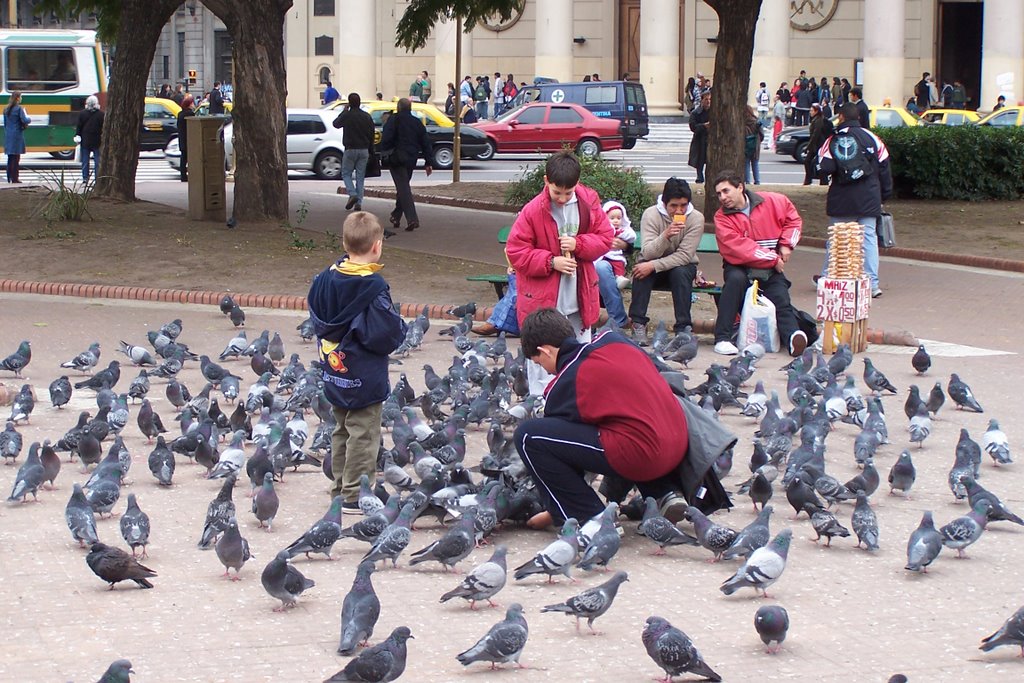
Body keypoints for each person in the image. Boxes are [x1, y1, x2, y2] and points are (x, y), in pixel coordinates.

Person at [512, 308, 691, 527]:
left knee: (528, 436)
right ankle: (663, 492)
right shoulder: (615, 340)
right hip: (678, 443)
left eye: (539, 362)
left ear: (546, 351)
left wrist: (559, 507)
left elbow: (569, 453)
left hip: (645, 454)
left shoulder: (564, 382)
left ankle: (592, 518)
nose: (547, 371)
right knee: (627, 415)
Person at [307, 211, 408, 510]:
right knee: (363, 432)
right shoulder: (373, 288)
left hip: (334, 366)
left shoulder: (325, 277)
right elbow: (384, 334)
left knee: (340, 426)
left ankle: (339, 487)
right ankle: (355, 494)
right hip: (364, 372)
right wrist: (399, 328)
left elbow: (316, 311)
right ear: (377, 245)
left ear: (344, 241)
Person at [505, 151, 613, 395]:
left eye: (569, 192)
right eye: (557, 192)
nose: (563, 198)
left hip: (578, 297)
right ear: (546, 181)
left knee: (579, 356)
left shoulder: (588, 201)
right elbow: (516, 251)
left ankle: (578, 399)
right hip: (544, 303)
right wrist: (550, 262)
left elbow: (605, 238)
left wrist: (579, 245)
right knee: (543, 357)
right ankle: (541, 402)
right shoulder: (533, 210)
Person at [712, 171, 812, 357]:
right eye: (719, 194)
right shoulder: (721, 218)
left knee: (780, 296)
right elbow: (740, 248)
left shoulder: (774, 201)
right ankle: (722, 338)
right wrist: (773, 258)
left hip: (770, 267)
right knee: (734, 282)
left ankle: (793, 338)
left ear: (740, 187)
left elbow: (794, 221)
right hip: (739, 265)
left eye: (726, 191)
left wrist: (786, 244)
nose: (722, 197)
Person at [816, 102, 893, 298]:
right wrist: (883, 195)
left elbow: (824, 167)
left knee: (837, 239)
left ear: (841, 117)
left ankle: (829, 279)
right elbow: (885, 168)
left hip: (842, 198)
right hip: (869, 197)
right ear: (858, 117)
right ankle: (872, 284)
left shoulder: (834, 139)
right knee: (868, 238)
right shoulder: (873, 139)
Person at [628, 177, 703, 344]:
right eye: (673, 206)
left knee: (680, 272)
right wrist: (666, 235)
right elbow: (647, 252)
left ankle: (683, 328)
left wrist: (654, 265)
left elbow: (685, 255)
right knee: (641, 270)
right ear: (664, 203)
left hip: (681, 266)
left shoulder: (696, 218)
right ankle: (638, 323)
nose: (678, 211)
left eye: (683, 205)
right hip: (654, 262)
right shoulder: (651, 214)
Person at [380, 98, 432, 232]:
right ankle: (396, 215)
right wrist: (428, 161)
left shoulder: (393, 120)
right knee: (403, 186)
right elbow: (425, 142)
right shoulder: (416, 122)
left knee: (403, 188)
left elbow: (386, 139)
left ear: (398, 107)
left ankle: (412, 219)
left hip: (396, 158)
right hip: (411, 158)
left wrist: (384, 151)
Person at [594, 200, 636, 330]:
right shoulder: (597, 226)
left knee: (601, 268)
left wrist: (624, 245)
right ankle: (617, 319)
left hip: (611, 262)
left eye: (619, 218)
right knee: (599, 267)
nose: (616, 221)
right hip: (594, 260)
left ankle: (617, 321)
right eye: (612, 218)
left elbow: (630, 242)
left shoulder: (623, 230)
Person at [332, 92, 375, 212]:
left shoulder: (347, 115)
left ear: (349, 104)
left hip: (350, 149)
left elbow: (336, 124)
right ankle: (359, 203)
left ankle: (352, 193)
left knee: (346, 173)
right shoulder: (366, 116)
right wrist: (371, 149)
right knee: (360, 177)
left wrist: (344, 111)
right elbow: (372, 133)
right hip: (364, 149)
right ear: (360, 103)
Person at [75, 95, 104, 183]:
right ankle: (97, 178)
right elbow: (103, 128)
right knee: (97, 161)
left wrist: (77, 136)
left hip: (85, 140)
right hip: (97, 140)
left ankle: (85, 178)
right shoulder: (101, 114)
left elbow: (79, 127)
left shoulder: (82, 114)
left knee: (85, 161)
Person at [3, 92, 30, 184]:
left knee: (10, 157)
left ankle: (9, 177)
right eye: (20, 97)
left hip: (9, 135)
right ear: (17, 98)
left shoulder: (6, 109)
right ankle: (15, 178)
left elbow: (5, 124)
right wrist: (29, 118)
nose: (21, 98)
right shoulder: (19, 109)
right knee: (16, 158)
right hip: (17, 135)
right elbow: (25, 120)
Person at [804, 103, 833, 186]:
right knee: (810, 162)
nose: (810, 112)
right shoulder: (816, 119)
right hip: (816, 145)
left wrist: (808, 146)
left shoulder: (818, 120)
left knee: (817, 163)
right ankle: (809, 179)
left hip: (819, 145)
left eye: (812, 111)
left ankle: (820, 180)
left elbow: (815, 134)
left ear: (816, 111)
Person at [688, 91, 711, 183]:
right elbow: (693, 127)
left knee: (710, 161)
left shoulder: (714, 112)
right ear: (702, 100)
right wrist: (704, 126)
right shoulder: (696, 113)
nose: (708, 102)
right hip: (700, 140)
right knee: (700, 160)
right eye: (706, 99)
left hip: (711, 140)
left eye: (710, 99)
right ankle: (700, 177)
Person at [176, 94, 195, 182]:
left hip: (182, 138)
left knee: (183, 158)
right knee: (191, 158)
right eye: (192, 103)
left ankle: (183, 176)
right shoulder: (190, 113)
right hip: (189, 139)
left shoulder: (180, 114)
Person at [744, 105, 763, 186]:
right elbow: (762, 134)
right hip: (755, 145)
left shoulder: (743, 122)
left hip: (746, 144)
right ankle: (757, 181)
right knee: (755, 163)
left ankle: (747, 181)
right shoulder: (756, 122)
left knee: (746, 163)